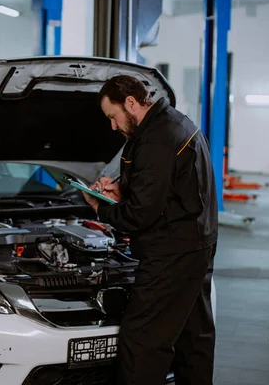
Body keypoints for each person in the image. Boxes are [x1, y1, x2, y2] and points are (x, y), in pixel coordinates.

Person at [81, 75, 218, 385]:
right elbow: (163, 189)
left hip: (171, 253)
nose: (113, 127)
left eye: (112, 117)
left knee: (142, 342)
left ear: (131, 103)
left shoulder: (157, 139)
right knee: (193, 337)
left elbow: (139, 215)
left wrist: (101, 207)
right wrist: (119, 191)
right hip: (196, 244)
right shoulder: (171, 123)